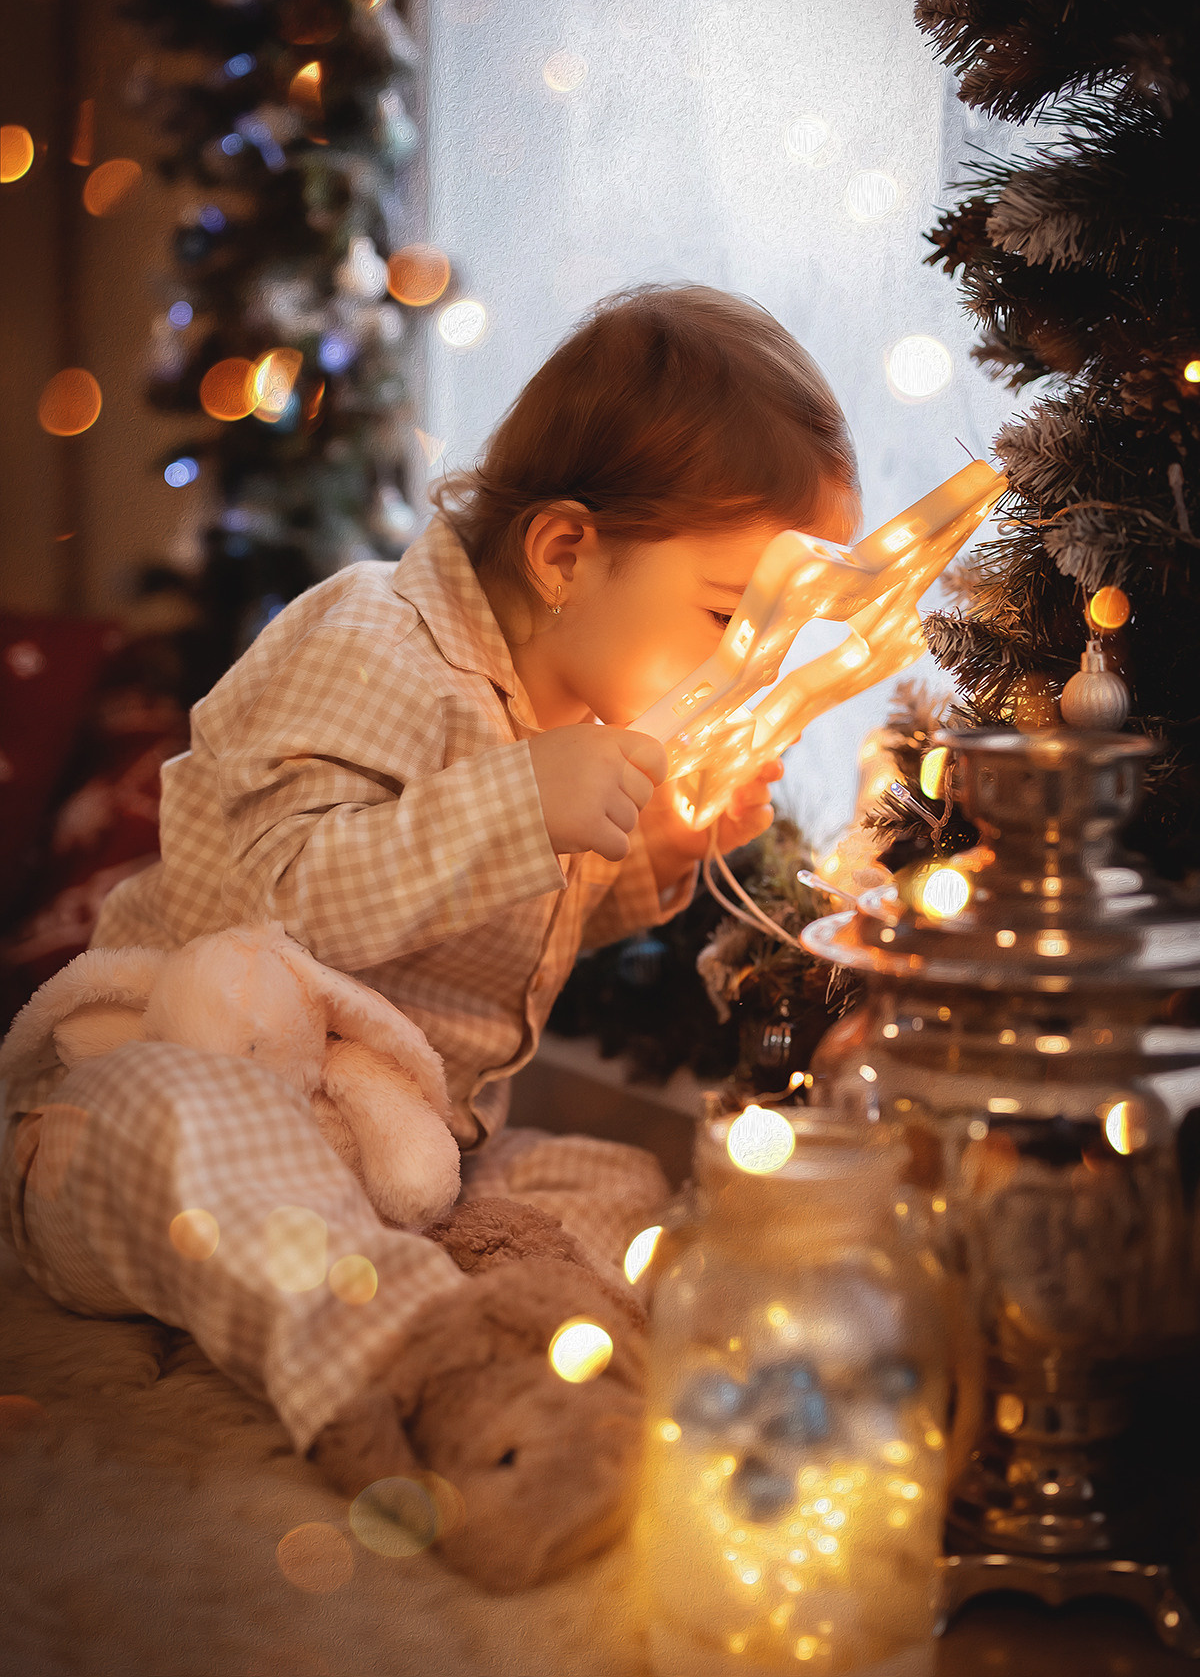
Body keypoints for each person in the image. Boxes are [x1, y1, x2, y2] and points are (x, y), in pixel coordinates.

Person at [1, 282, 860, 1582]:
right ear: (567, 554)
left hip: (391, 1149)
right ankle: (441, 1389)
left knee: (609, 1189)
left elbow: (503, 921)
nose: (746, 663)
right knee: (187, 1121)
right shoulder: (375, 642)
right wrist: (520, 801)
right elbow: (276, 901)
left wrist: (663, 849)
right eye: (729, 615)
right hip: (140, 1100)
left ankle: (564, 1380)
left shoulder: (561, 712)